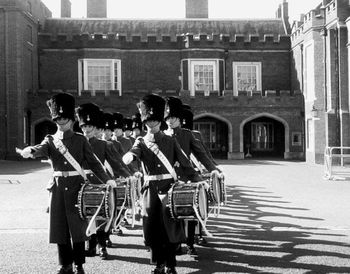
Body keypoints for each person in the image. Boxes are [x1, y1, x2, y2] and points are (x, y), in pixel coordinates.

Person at [18, 93, 116, 274]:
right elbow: (41, 149)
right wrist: (31, 150)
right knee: (59, 229)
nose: (61, 122)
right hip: (57, 189)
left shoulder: (80, 139)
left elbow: (94, 163)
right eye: (58, 119)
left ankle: (78, 264)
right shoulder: (50, 139)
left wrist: (107, 179)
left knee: (77, 230)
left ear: (71, 120)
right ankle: (65, 264)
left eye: (64, 118)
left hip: (77, 188)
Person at [122, 94, 201, 274]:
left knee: (169, 228)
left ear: (160, 121)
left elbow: (185, 163)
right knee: (152, 228)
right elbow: (134, 151)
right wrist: (130, 156)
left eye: (155, 120)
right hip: (150, 190)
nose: (152, 124)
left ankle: (171, 265)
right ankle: (157, 264)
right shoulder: (141, 141)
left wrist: (198, 180)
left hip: (168, 188)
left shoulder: (170, 140)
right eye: (148, 121)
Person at [163, 96, 218, 256]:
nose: (170, 121)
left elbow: (201, 154)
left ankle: (190, 242)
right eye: (168, 118)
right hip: (168, 180)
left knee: (191, 211)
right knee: (172, 214)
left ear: (179, 119)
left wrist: (212, 168)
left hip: (187, 178)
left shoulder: (187, 135)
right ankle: (176, 243)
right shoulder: (162, 135)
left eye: (173, 118)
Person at [76, 103, 131, 260]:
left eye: (90, 126)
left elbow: (116, 163)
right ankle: (91, 245)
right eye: (84, 126)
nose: (87, 129)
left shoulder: (104, 144)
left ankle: (102, 246)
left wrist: (128, 175)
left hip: (101, 183)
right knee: (85, 216)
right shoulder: (76, 143)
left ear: (95, 128)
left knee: (103, 216)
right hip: (82, 183)